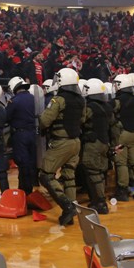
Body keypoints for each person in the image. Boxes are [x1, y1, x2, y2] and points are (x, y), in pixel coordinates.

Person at [38, 68, 86, 225]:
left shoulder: (58, 100)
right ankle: (71, 213)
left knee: (46, 175)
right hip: (76, 142)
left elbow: (45, 121)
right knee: (69, 176)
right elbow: (83, 119)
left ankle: (67, 207)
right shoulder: (81, 100)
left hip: (61, 142)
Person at [80, 78, 113, 213]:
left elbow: (81, 121)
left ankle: (99, 202)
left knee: (93, 173)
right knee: (100, 172)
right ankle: (98, 200)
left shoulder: (90, 108)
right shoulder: (107, 106)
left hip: (93, 143)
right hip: (105, 141)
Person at [112, 73, 134, 201]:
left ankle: (122, 192)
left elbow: (112, 119)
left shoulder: (117, 101)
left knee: (121, 164)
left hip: (122, 134)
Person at [6, 76, 38, 195]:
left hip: (20, 135)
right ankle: (28, 188)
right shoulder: (32, 98)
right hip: (32, 133)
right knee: (30, 162)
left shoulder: (14, 100)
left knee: (23, 163)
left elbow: (6, 116)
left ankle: (24, 191)